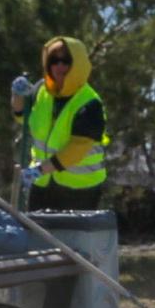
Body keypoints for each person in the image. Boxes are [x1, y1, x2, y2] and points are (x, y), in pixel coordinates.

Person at [12, 36, 108, 212]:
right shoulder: (41, 90)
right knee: (37, 236)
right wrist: (17, 95)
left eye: (66, 61)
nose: (59, 66)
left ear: (77, 63)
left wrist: (39, 170)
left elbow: (76, 150)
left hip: (80, 188)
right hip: (43, 184)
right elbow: (22, 117)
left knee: (70, 239)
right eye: (54, 60)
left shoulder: (90, 103)